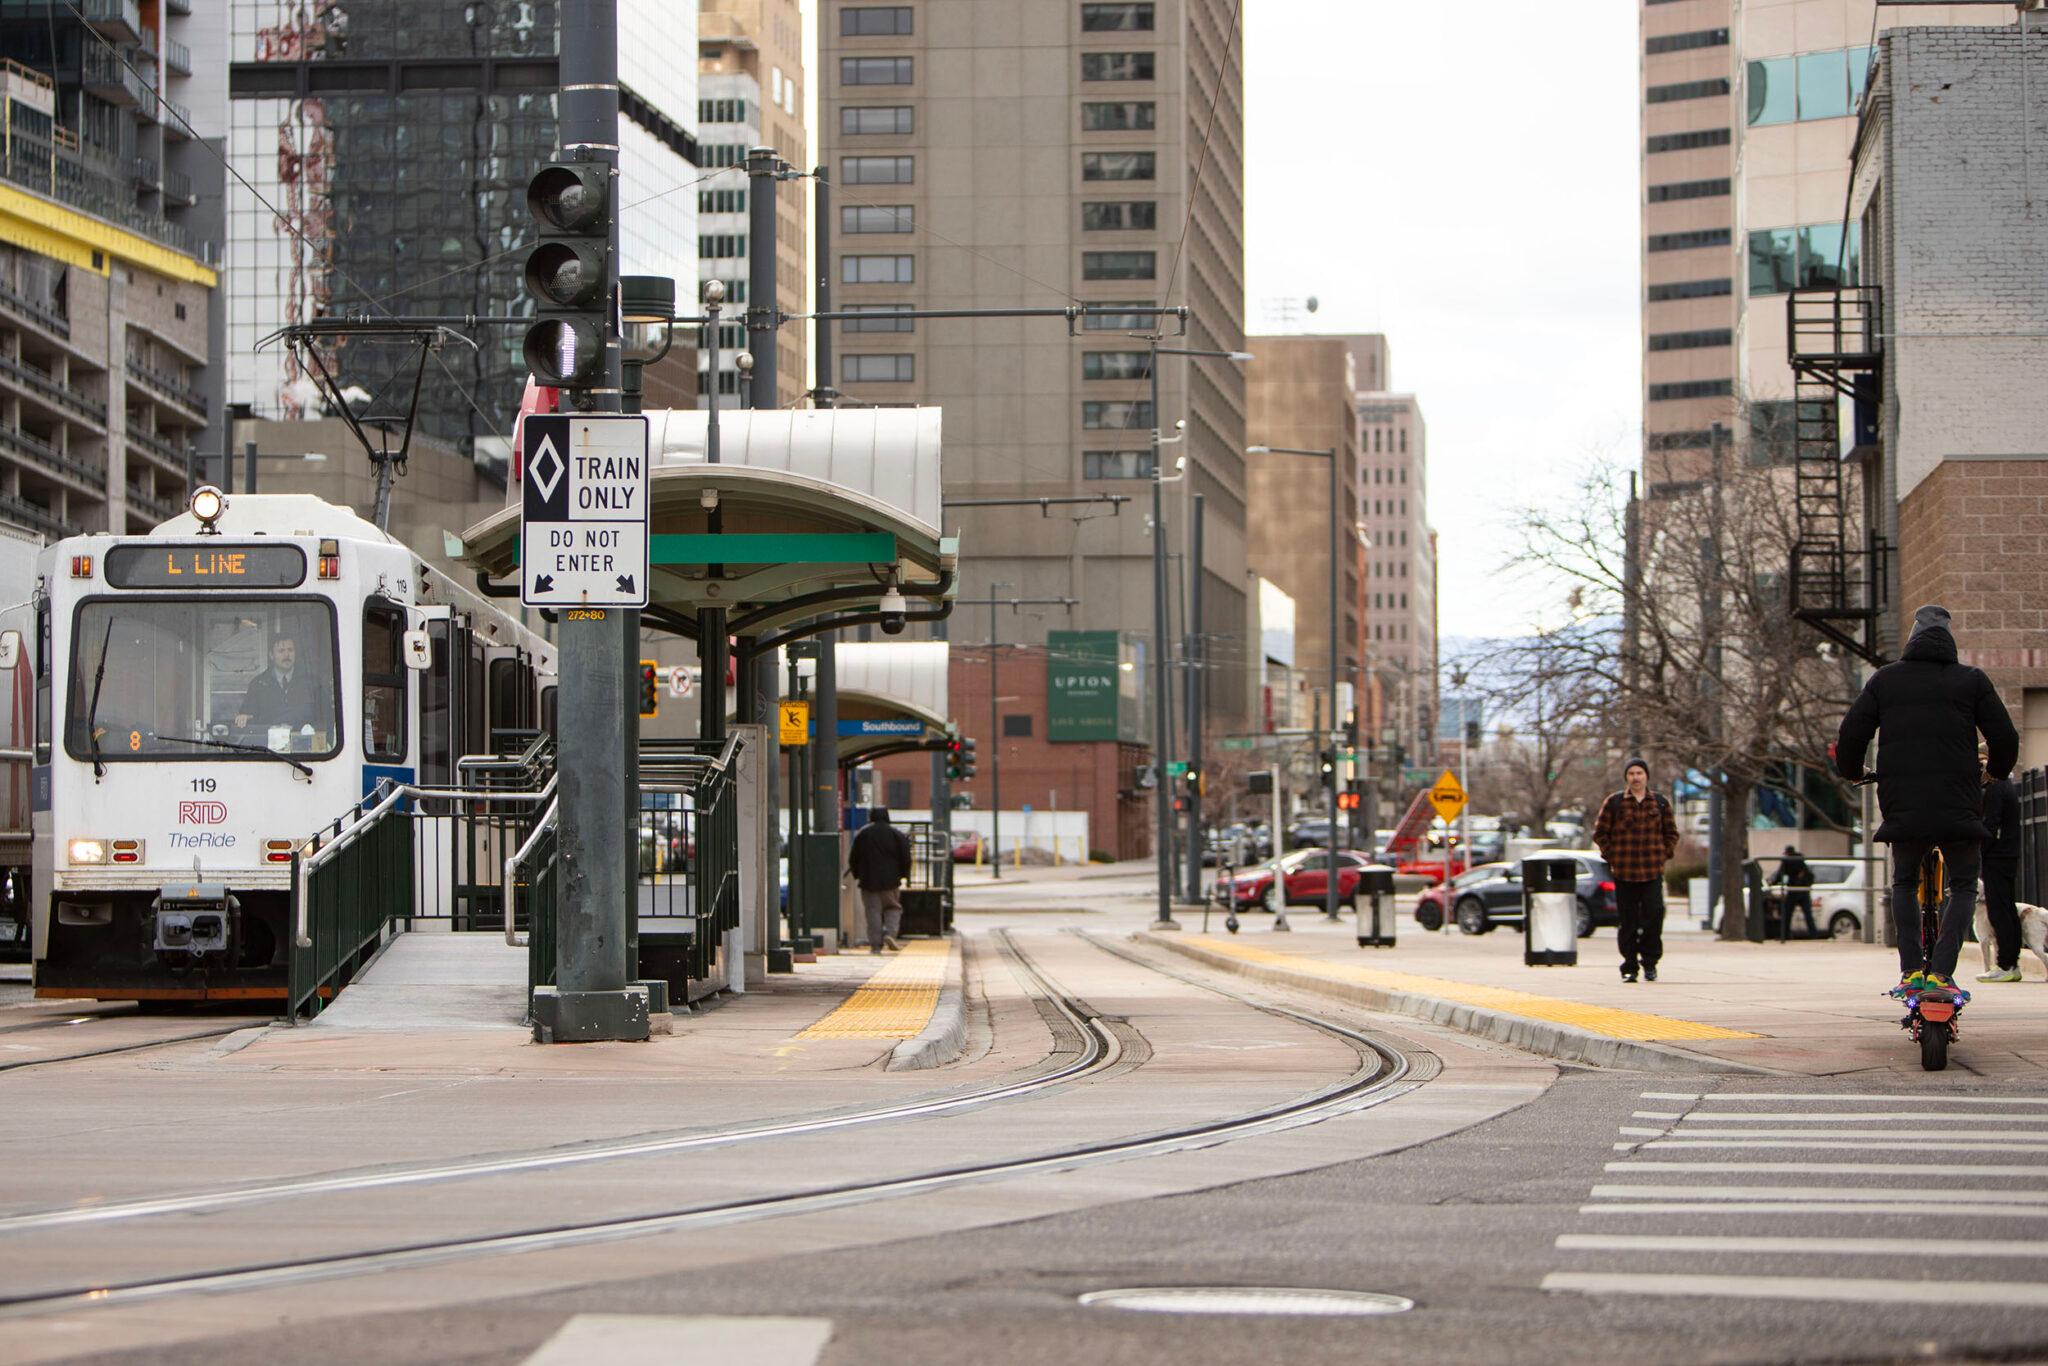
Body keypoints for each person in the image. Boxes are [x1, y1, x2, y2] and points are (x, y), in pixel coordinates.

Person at [1835, 604, 2018, 999]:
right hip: (1958, 802)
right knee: (1964, 884)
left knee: (1903, 881)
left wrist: (1852, 770)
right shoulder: (1971, 680)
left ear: (1912, 639)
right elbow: (2005, 738)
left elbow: (1851, 735)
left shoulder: (1885, 681)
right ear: (1949, 641)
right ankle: (1941, 973)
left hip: (1905, 803)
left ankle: (1910, 971)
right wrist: (1994, 772)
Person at [1591, 758, 1680, 983]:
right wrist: (1612, 856)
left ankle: (1650, 963)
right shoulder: (1615, 802)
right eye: (1631, 773)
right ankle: (1629, 965)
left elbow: (1671, 833)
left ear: (1646, 776)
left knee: (1654, 915)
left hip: (1652, 870)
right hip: (1624, 872)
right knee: (1628, 921)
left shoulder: (1659, 803)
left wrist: (1664, 854)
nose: (1635, 777)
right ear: (1626, 777)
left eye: (1639, 773)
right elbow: (1600, 833)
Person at [1978, 747, 2024, 983]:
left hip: (1997, 856)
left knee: (1999, 910)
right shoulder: (2005, 784)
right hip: (2006, 854)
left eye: (1982, 761)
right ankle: (2010, 962)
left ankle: (2006, 963)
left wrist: (1978, 851)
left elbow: (1990, 825)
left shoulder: (1996, 787)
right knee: (2006, 908)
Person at [846, 807, 912, 954]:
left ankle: (875, 946)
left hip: (868, 882)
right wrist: (903, 875)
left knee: (872, 912)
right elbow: (906, 858)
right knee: (893, 908)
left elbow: (853, 858)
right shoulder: (897, 835)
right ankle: (890, 934)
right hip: (891, 881)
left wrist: (858, 875)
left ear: (872, 817)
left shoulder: (863, 835)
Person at [234, 635, 330, 733]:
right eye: (281, 651)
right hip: (267, 744)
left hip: (305, 744)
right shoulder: (258, 684)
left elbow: (326, 717)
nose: (287, 655)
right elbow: (247, 715)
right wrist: (244, 717)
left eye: (290, 650)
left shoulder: (311, 682)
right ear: (271, 655)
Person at [1772, 845, 1817, 941]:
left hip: (1793, 889)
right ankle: (1814, 934)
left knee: (1787, 913)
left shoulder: (1787, 861)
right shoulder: (1801, 859)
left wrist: (1772, 882)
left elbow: (1780, 875)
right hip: (1803, 890)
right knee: (1808, 914)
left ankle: (1784, 935)